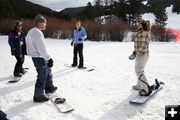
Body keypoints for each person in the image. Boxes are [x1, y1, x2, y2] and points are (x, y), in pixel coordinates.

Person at [26, 14, 57, 102]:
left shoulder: (31, 31)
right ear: (39, 23)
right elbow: (41, 48)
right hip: (39, 57)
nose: (45, 25)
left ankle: (49, 87)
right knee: (42, 75)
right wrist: (48, 58)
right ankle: (38, 95)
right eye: (44, 23)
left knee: (48, 70)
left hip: (38, 56)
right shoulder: (37, 32)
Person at [129, 20, 151, 96]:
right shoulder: (139, 32)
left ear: (142, 25)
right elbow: (138, 45)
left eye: (139, 24)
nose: (138, 25)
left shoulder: (145, 33)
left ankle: (146, 89)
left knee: (139, 71)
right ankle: (139, 85)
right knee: (139, 70)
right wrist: (134, 53)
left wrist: (135, 53)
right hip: (139, 55)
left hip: (143, 55)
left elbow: (142, 46)